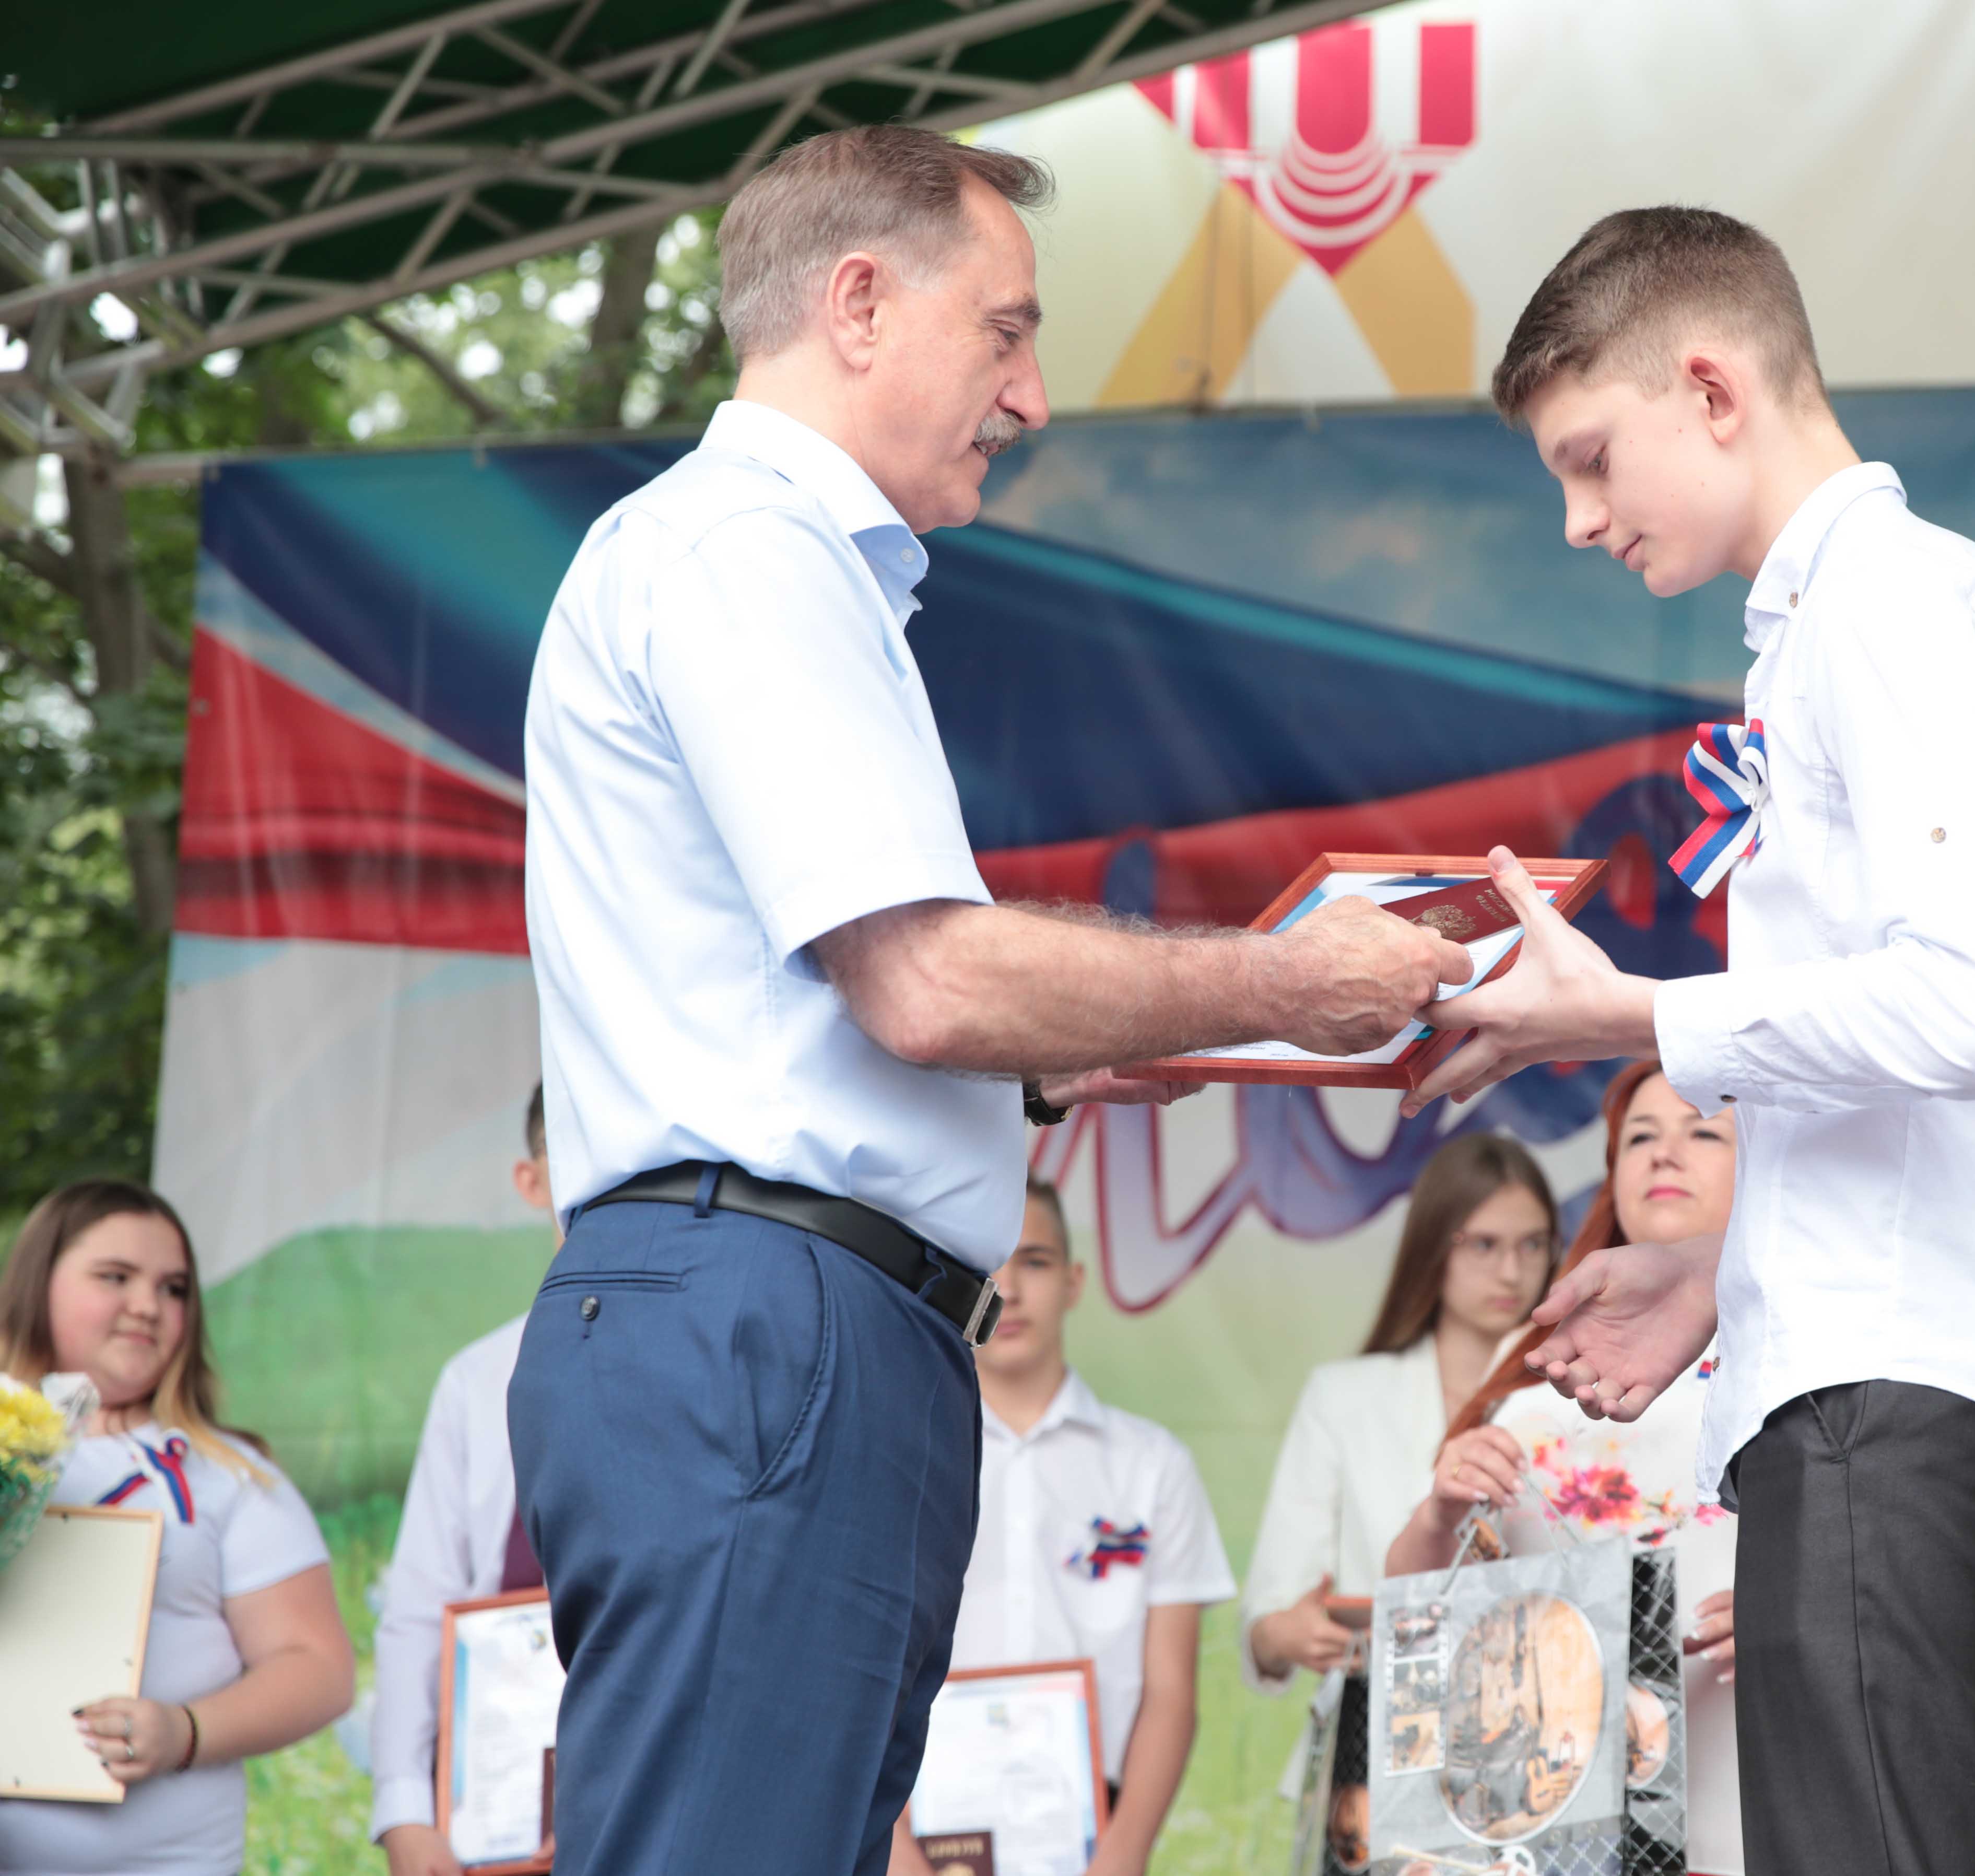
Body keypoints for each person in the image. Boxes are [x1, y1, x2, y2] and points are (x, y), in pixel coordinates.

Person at [513, 124, 1467, 1876]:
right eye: (1006, 333)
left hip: (796, 1314)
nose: (1029, 398)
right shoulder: (747, 549)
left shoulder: (760, 560)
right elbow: (929, 979)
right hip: (768, 1312)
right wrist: (1279, 981)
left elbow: (829, 997)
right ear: (857, 304)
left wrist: (1061, 1059)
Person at [1400, 206, 1975, 1876]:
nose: (1578, 521)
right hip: (1873, 1366)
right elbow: (1910, 1067)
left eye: (1589, 460)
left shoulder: (1886, 602)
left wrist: (1624, 1014)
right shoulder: (1832, 623)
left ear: (1710, 390)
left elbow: (1971, 1005)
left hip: (1887, 1392)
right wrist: (1726, 1267)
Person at [1386, 1060, 1746, 1875]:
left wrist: (1801, 1617)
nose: (1664, 1153)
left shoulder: (1801, 1366)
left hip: (1748, 1782)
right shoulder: (1538, 1370)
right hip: (1554, 1827)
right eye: (1640, 1138)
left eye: (1703, 1133)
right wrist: (1440, 1513)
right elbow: (1416, 1614)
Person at [0, 1180, 357, 1876]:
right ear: (36, 1284)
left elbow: (318, 1667)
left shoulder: (228, 1473)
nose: (148, 1305)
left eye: (175, 1289)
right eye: (115, 1277)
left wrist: (185, 1731)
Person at [887, 1178, 1233, 1876]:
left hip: (1095, 1836)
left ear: (1075, 1282)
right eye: (989, 1267)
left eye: (1036, 1262)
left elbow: (1171, 1692)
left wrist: (1123, 1857)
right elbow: (862, 1672)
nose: (1011, 1290)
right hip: (925, 1827)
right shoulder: (901, 1460)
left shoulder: (1152, 1464)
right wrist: (896, 1851)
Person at [1240, 1132, 1560, 1690]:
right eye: (1484, 1245)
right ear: (1433, 1245)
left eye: (1533, 1245)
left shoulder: (1579, 1394)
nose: (1511, 1272)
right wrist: (1285, 1634)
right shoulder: (1342, 1396)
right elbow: (1269, 1619)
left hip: (1546, 1708)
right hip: (1378, 1713)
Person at [370, 1085, 559, 1876]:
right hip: (496, 1812)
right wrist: (406, 1813)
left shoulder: (730, 1368)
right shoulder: (479, 1381)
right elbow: (420, 1607)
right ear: (531, 1182)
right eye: (576, 1152)